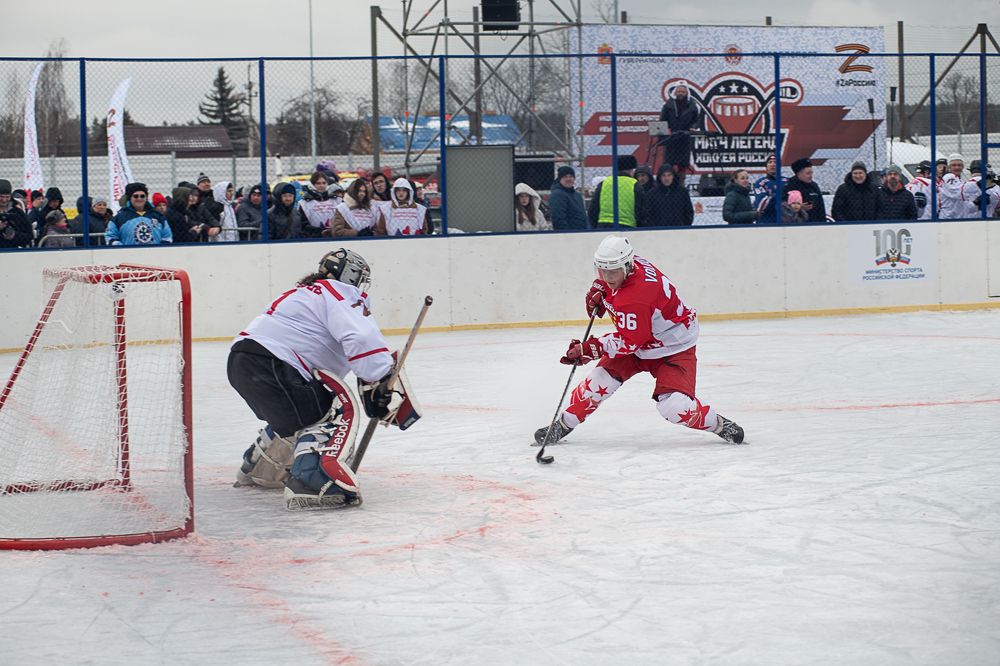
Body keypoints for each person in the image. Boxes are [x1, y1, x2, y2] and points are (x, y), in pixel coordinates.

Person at [227, 249, 407, 509]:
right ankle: (314, 482)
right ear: (350, 275)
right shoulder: (338, 292)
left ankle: (260, 468)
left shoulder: (303, 292)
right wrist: (380, 376)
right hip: (276, 365)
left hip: (241, 362)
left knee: (301, 409)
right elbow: (361, 338)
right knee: (328, 410)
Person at [534, 235, 744, 448]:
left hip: (672, 348)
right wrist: (604, 288)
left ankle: (718, 424)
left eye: (612, 271)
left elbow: (630, 341)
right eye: (601, 270)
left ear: (626, 266)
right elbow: (632, 328)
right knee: (598, 380)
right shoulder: (633, 265)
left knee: (674, 407)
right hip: (643, 339)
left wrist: (591, 348)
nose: (607, 276)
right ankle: (563, 424)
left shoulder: (636, 297)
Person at [105, 182, 173, 246]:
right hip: (129, 256)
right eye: (136, 196)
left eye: (142, 196)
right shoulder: (119, 218)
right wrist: (123, 250)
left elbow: (167, 236)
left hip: (154, 255)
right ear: (130, 198)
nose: (139, 198)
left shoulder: (158, 217)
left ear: (146, 198)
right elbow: (110, 237)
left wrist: (161, 249)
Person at [588, 155, 646, 229]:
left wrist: (596, 226)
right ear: (631, 170)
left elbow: (593, 209)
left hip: (603, 225)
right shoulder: (635, 185)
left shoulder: (604, 183)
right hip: (627, 226)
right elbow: (641, 211)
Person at [658, 84, 702, 175]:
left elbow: (697, 120)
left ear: (686, 93)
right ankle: (670, 181)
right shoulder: (668, 105)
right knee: (668, 164)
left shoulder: (692, 106)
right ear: (675, 93)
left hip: (685, 138)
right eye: (678, 91)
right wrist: (663, 137)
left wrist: (693, 127)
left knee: (683, 164)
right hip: (671, 138)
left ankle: (681, 183)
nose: (680, 93)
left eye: (683, 92)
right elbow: (662, 120)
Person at [784, 158, 826, 222]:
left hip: (814, 223)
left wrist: (823, 223)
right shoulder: (788, 187)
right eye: (808, 173)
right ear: (798, 174)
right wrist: (799, 208)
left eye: (811, 173)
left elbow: (821, 208)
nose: (811, 176)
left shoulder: (814, 186)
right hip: (796, 224)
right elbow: (782, 208)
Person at [299, 171, 338, 238]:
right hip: (313, 238)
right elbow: (303, 224)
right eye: (318, 183)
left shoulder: (337, 200)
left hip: (335, 236)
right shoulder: (304, 203)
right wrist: (318, 231)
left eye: (324, 183)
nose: (322, 185)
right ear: (312, 185)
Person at [547, 166, 588, 230]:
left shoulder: (577, 195)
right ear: (559, 179)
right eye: (565, 177)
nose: (568, 179)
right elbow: (558, 219)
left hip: (581, 233)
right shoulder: (558, 195)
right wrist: (567, 234)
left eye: (570, 176)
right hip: (569, 235)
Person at [0, 179, 34, 249]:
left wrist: (13, 235)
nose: (4, 200)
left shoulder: (17, 213)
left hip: (12, 250)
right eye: (1, 197)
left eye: (7, 197)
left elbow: (29, 236)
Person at [752, 154, 785, 224]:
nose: (773, 164)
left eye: (775, 162)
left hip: (785, 221)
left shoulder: (787, 181)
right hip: (766, 222)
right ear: (766, 166)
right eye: (770, 162)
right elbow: (762, 205)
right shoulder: (760, 183)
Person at [939, 153, 966, 219]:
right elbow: (959, 194)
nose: (957, 167)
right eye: (954, 165)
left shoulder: (959, 180)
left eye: (959, 165)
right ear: (949, 167)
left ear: (963, 167)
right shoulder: (949, 177)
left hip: (956, 217)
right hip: (948, 218)